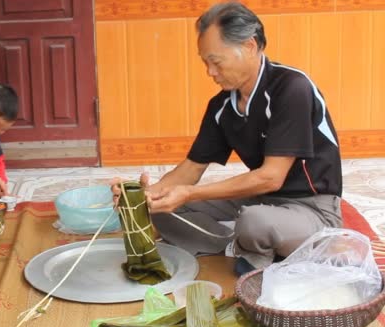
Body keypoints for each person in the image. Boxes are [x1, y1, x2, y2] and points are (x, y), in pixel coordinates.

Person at [113, 2, 342, 276]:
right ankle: (248, 246)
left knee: (255, 222)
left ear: (249, 46)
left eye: (216, 61)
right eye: (205, 62)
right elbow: (191, 169)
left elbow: (271, 177)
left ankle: (267, 243)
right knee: (163, 211)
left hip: (312, 207)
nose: (210, 72)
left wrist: (190, 193)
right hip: (260, 199)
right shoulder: (222, 106)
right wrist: (143, 199)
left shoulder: (292, 88)